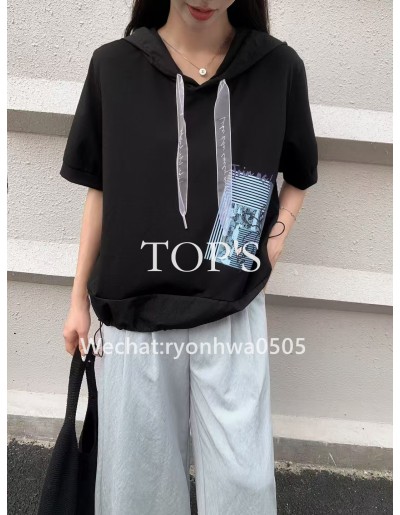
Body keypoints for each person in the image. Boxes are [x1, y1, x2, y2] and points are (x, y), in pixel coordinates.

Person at [61, 0, 318, 513]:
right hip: (134, 309)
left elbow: (297, 173)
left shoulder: (277, 67)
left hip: (232, 304)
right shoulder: (114, 65)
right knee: (139, 485)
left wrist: (271, 242)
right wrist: (76, 302)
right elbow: (102, 190)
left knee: (242, 484)